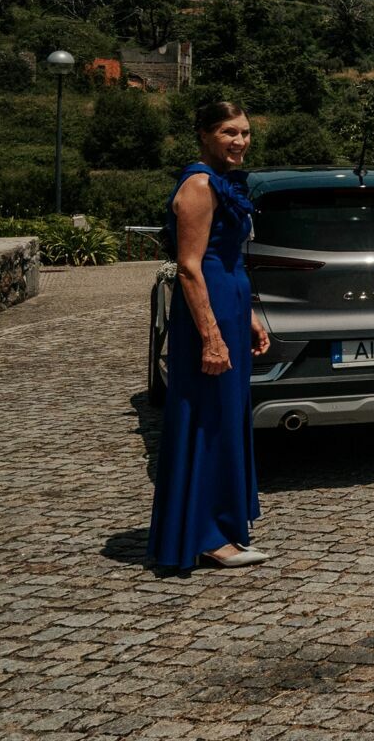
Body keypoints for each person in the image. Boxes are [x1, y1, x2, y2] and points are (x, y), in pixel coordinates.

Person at [148, 101, 267, 570]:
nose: (239, 141)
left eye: (245, 132)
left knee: (226, 414)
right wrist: (212, 338)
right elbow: (190, 268)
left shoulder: (221, 182)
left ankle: (220, 525)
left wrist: (249, 315)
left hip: (231, 305)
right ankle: (205, 534)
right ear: (203, 134)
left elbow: (231, 260)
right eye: (227, 132)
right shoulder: (199, 185)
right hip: (209, 311)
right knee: (206, 418)